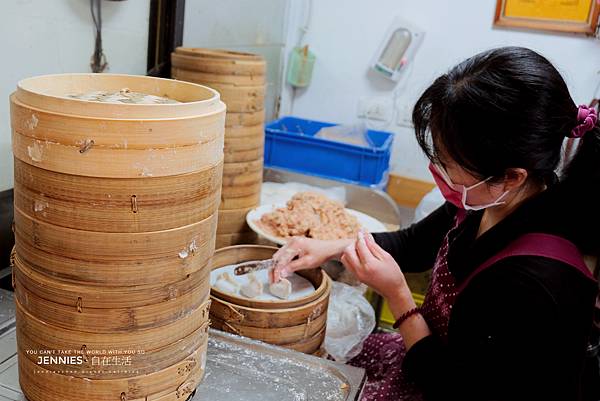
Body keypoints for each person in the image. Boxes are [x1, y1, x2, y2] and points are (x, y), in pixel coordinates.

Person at [271, 47, 600, 401]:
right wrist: (333, 246)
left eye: (447, 162)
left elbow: (452, 384)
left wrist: (397, 295)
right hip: (423, 358)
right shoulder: (480, 200)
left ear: (510, 177)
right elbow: (412, 244)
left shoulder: (536, 282)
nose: (439, 172)